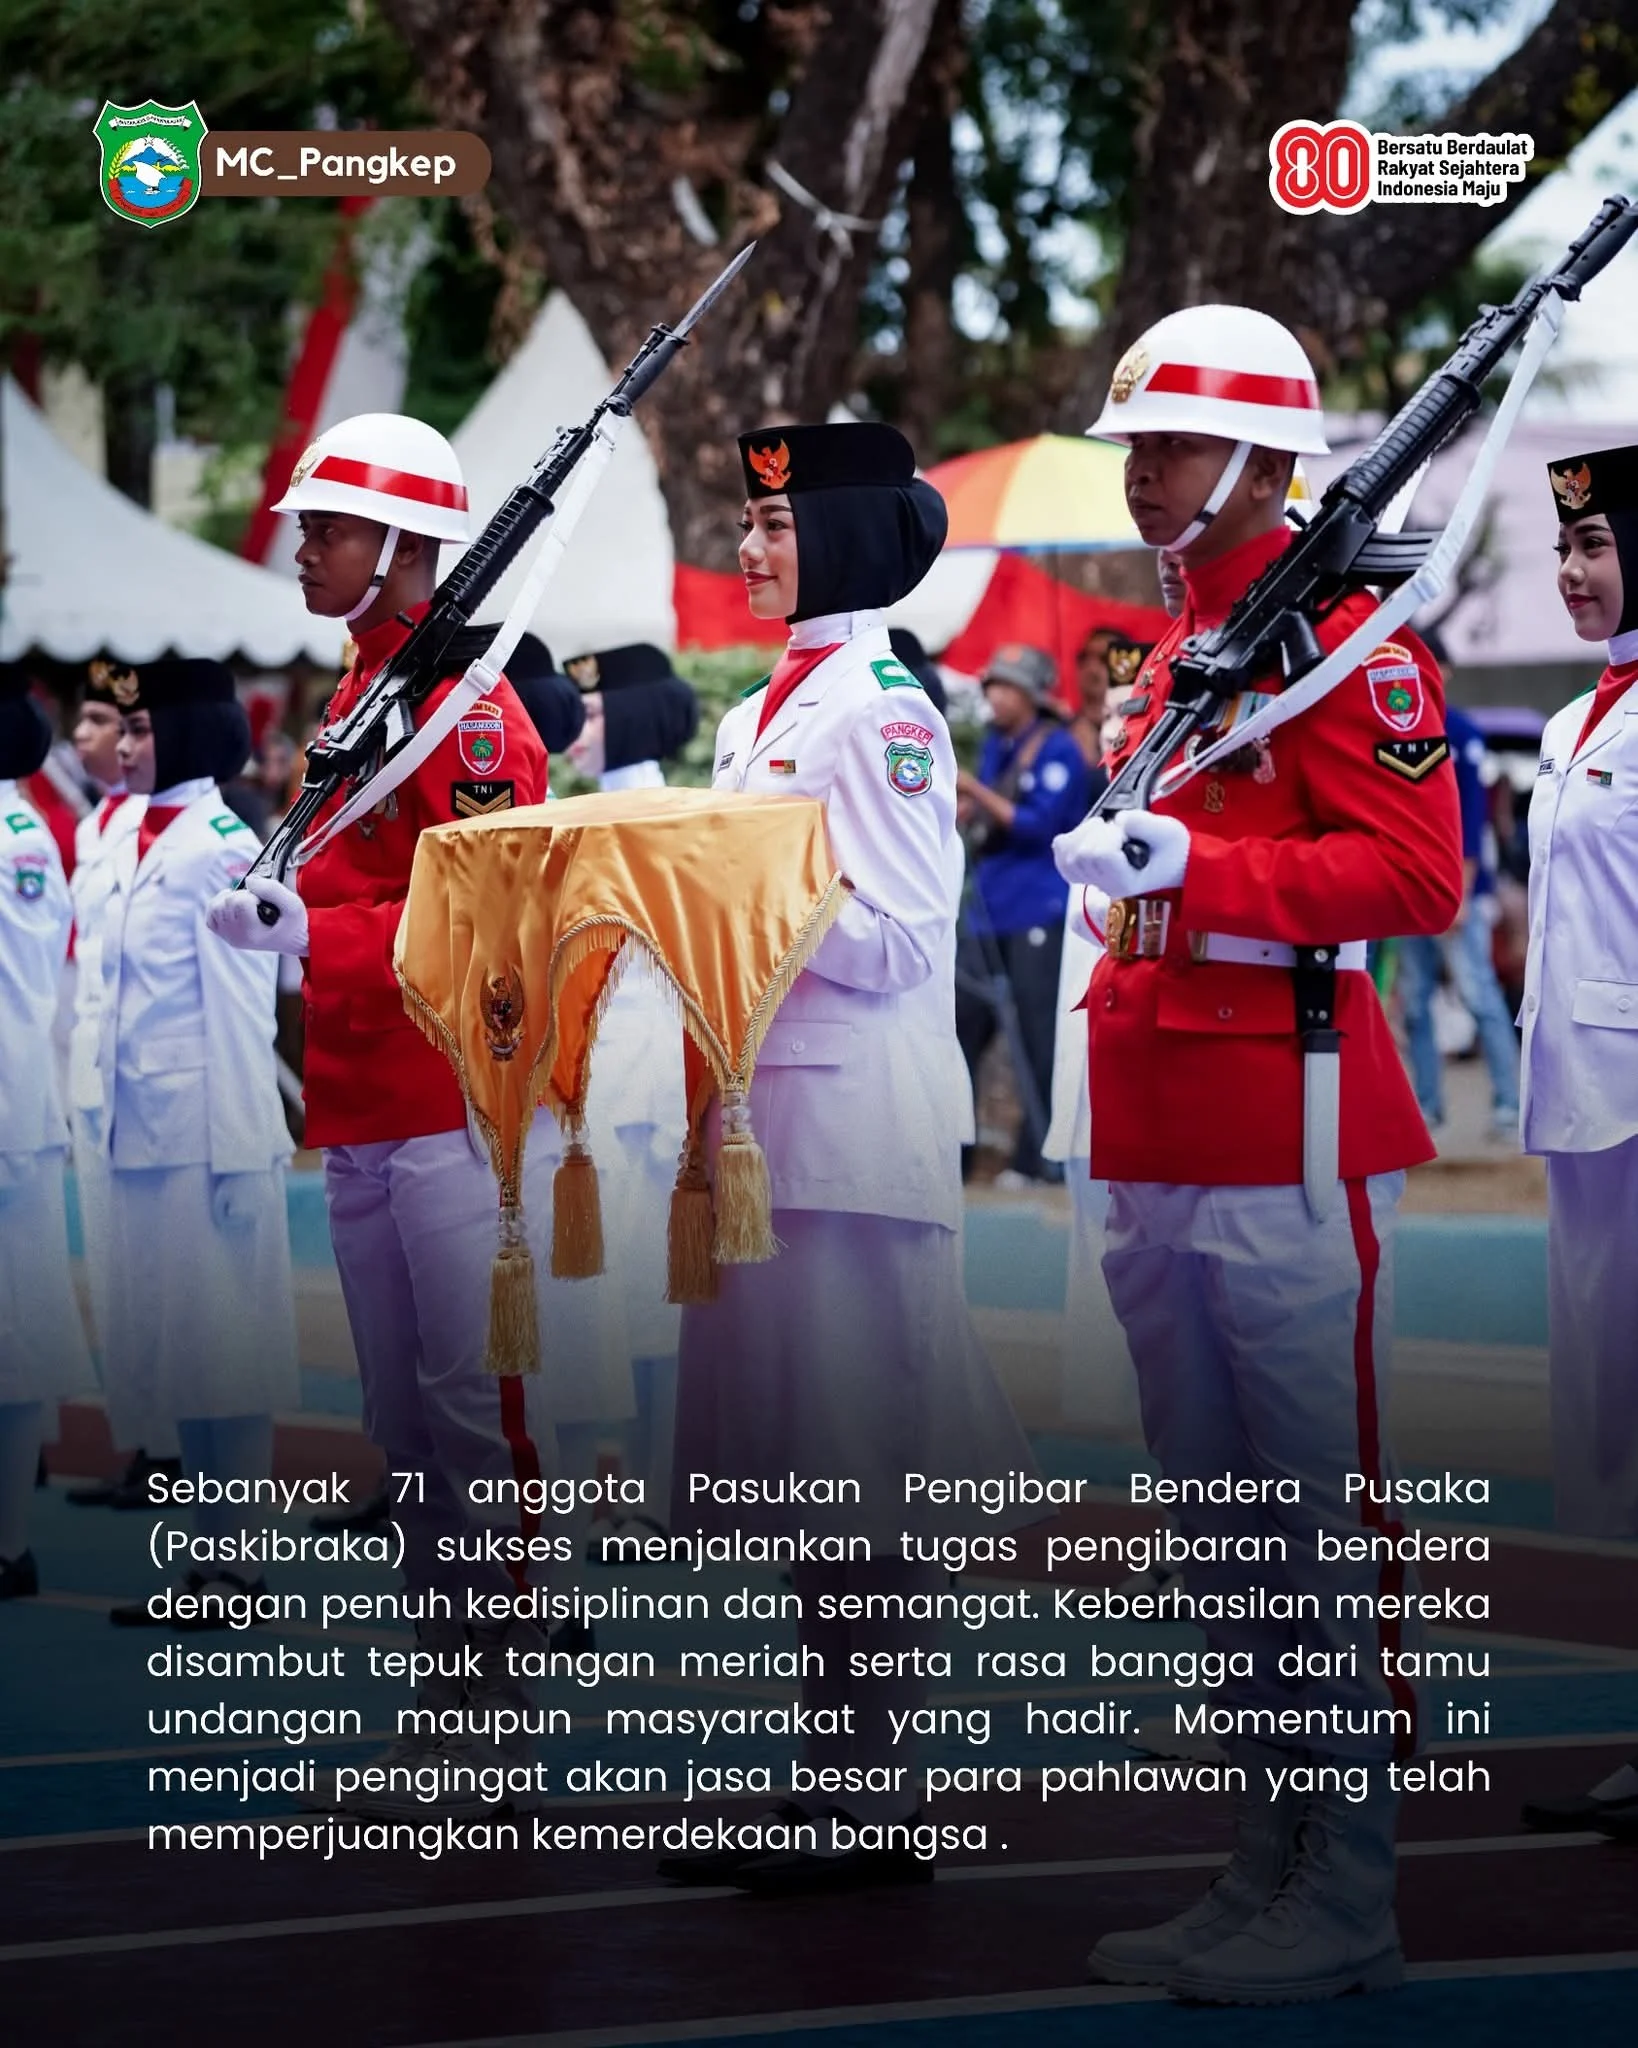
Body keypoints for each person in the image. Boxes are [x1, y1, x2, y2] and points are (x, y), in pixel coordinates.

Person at [1052, 304, 1463, 2004]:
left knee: (1304, 1522)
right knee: (1218, 1531)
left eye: (1170, 443)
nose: (1140, 472)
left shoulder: (1350, 646)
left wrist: (1199, 873)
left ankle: (1345, 1886)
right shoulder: (1186, 652)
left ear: (1260, 460)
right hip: (1159, 1112)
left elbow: (1416, 878)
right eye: (1134, 443)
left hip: (1280, 1120)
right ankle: (1260, 1859)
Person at [659, 420, 1038, 1896]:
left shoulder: (881, 712)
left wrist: (730, 891)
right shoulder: (767, 710)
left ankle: (874, 1790)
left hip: (849, 1131)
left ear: (843, 538)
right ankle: (838, 1770)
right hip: (771, 1128)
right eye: (748, 522)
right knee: (808, 1472)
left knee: (860, 1469)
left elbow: (899, 942)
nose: (748, 546)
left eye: (773, 524)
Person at [204, 412, 560, 1809]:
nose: (304, 548)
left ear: (407, 544)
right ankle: (446, 1693)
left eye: (330, 528)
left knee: (470, 1414)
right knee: (402, 1420)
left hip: (448, 1093)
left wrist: (317, 934)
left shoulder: (468, 714)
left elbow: (493, 911)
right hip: (363, 1094)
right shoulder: (369, 689)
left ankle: (495, 1713)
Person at [84, 659, 299, 1627]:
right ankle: (206, 1559)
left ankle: (237, 1567)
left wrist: (246, 1150)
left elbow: (242, 1010)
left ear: (190, 733)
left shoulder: (222, 846)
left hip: (206, 1132)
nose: (125, 746)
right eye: (124, 730)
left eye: (141, 729)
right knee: (178, 1351)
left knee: (226, 1350)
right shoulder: (133, 833)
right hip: (137, 1127)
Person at [1514, 445, 1638, 1843]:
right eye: (1564, 547)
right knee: (1611, 1420)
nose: (1570, 570)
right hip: (1584, 1104)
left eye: (1595, 545)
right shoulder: (1570, 720)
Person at [58, 664, 181, 1510]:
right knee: (115, 1276)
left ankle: (172, 1447)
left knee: (163, 1277)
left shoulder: (162, 829)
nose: (90, 737)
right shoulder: (92, 826)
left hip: (156, 1085)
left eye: (108, 721)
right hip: (95, 1073)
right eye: (93, 721)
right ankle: (143, 1441)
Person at [0, 664, 95, 1597]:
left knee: (18, 1324)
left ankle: (9, 1538)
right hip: (15, 1102)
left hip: (9, 1108)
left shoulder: (14, 832)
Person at [955, 643, 1093, 1186]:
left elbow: (1039, 827)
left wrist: (976, 790)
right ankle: (956, 1155)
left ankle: (1038, 1161)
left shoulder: (1058, 750)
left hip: (1038, 907)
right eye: (993, 684)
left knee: (1038, 1036)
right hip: (987, 911)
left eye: (1008, 687)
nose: (996, 696)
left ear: (1032, 695)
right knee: (963, 1029)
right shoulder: (998, 742)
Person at [1393, 701, 1521, 1138]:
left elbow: (1471, 816)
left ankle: (1508, 1105)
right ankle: (1427, 1108)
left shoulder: (1460, 731)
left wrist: (1460, 894)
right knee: (1415, 1004)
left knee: (1479, 996)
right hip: (1412, 889)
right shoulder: (1396, 724)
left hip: (1456, 889)